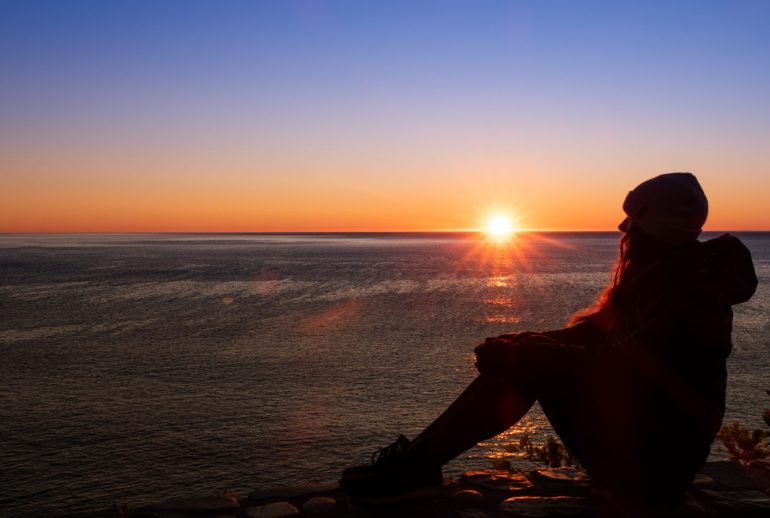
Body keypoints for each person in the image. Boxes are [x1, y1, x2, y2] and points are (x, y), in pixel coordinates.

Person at [339, 172, 758, 507]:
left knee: (528, 369)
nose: (621, 229)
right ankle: (416, 463)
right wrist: (525, 339)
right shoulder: (663, 277)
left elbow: (624, 363)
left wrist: (530, 354)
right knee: (523, 359)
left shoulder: (693, 295)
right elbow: (593, 334)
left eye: (632, 221)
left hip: (656, 467)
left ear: (652, 227)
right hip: (644, 445)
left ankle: (414, 469)